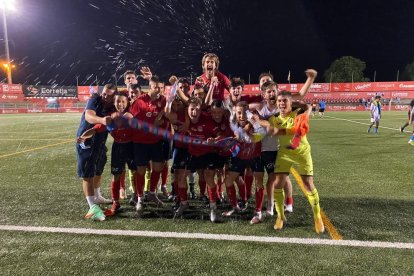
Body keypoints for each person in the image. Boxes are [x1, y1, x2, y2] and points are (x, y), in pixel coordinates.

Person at [267, 90, 324, 234]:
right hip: (284, 153)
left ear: (290, 102)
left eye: (284, 101)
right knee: (277, 183)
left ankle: (317, 216)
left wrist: (302, 104)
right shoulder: (274, 118)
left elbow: (308, 108)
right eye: (279, 101)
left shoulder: (298, 113)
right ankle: (280, 216)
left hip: (302, 153)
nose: (281, 103)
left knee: (308, 184)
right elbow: (269, 129)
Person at [77, 91, 134, 216]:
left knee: (136, 171)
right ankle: (115, 202)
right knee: (116, 174)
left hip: (132, 146)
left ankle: (138, 197)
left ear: (128, 103)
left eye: (123, 102)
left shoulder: (132, 113)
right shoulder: (110, 118)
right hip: (118, 147)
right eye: (118, 101)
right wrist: (83, 136)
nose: (120, 104)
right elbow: (96, 128)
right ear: (114, 103)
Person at [75, 83, 117, 221]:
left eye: (108, 95)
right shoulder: (94, 100)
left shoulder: (112, 106)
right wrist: (102, 120)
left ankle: (97, 196)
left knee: (98, 168)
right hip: (86, 140)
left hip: (100, 141)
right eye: (104, 93)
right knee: (88, 173)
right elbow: (89, 116)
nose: (104, 96)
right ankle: (92, 207)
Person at [129, 75, 166, 216]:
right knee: (141, 170)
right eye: (155, 87)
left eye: (160, 87)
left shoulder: (162, 100)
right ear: (150, 87)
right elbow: (133, 122)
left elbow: (165, 117)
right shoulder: (140, 102)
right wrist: (152, 124)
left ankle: (151, 193)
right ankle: (140, 198)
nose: (158, 90)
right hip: (140, 142)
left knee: (158, 167)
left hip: (156, 141)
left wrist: (161, 123)